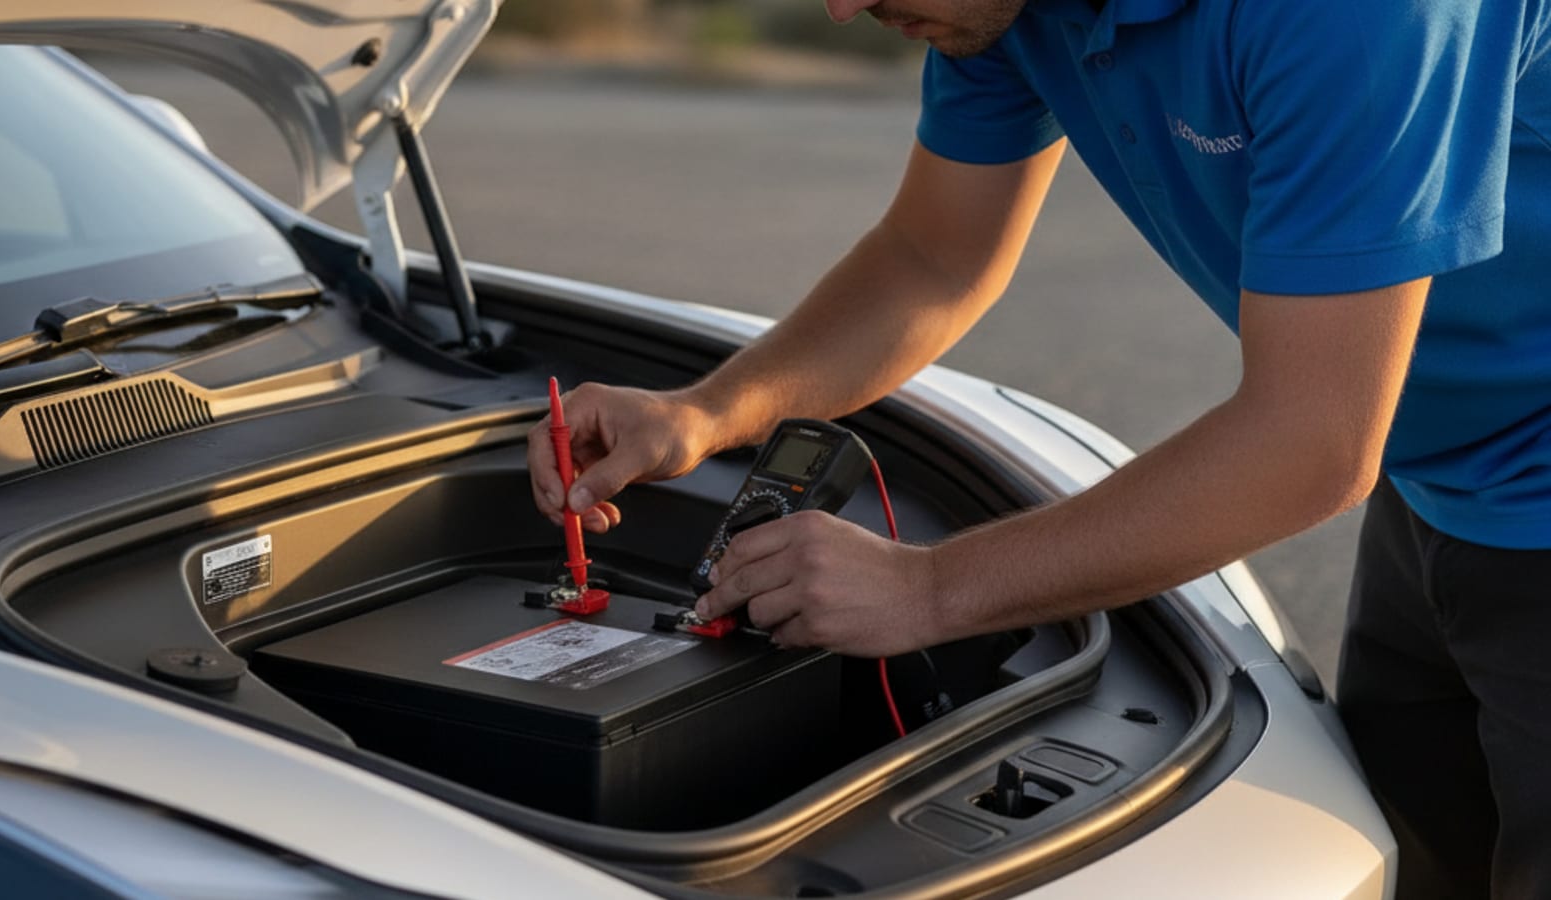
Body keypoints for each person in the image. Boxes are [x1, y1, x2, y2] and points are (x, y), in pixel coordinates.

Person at [527, 1, 1551, 896]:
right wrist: (706, 412)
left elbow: (1310, 443)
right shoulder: (1001, 10)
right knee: (1421, 864)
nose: (842, 8)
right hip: (1438, 482)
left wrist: (929, 590)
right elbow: (932, 257)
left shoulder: (1352, 13)